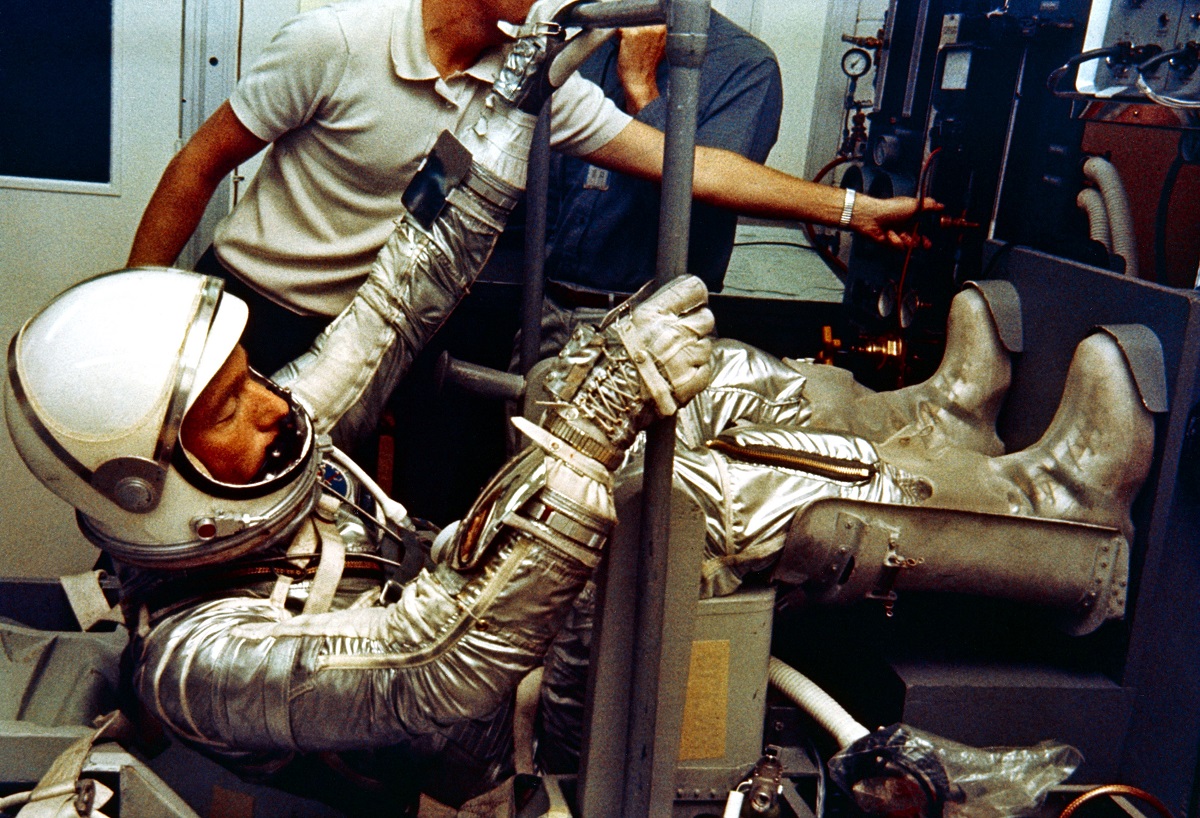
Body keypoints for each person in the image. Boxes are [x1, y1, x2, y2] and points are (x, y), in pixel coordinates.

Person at [4, 265, 715, 813]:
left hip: (510, 634)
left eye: (248, 371)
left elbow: (394, 304)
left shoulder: (253, 474)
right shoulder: (194, 667)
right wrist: (595, 420)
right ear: (149, 489)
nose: (274, 403)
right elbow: (437, 658)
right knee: (714, 500)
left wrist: (513, 96)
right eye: (228, 406)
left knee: (726, 384)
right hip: (520, 747)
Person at [533, 281, 1160, 774]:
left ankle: (926, 423)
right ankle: (1056, 506)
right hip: (578, 712)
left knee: (640, 388)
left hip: (502, 589)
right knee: (682, 497)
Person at [125, 0, 928, 377]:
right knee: (175, 500)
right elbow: (198, 163)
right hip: (255, 310)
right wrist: (133, 320)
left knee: (312, 523)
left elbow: (692, 166)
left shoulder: (533, 80)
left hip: (370, 333)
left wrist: (854, 209)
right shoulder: (338, 40)